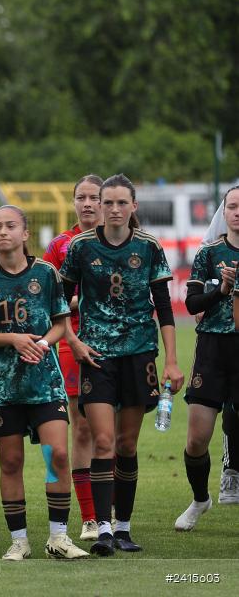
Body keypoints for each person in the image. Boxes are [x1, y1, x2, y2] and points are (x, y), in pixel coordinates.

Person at [59, 173, 184, 556]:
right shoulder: (80, 247)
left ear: (134, 207)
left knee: (127, 444)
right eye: (106, 202)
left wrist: (173, 361)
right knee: (102, 441)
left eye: (120, 203)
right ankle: (103, 529)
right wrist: (75, 342)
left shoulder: (148, 247)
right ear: (98, 205)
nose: (112, 209)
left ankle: (125, 528)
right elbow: (60, 303)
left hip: (139, 355)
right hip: (96, 357)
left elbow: (163, 307)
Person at [0, 205, 89, 560]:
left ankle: (59, 537)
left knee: (58, 454)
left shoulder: (47, 273)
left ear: (25, 233)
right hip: (1, 389)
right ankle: (19, 540)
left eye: (10, 226)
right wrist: (14, 340)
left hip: (44, 382)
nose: (2, 232)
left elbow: (60, 322)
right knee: (11, 462)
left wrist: (43, 343)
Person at [41, 174, 103, 541]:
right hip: (70, 339)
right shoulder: (60, 246)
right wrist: (76, 305)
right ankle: (90, 517)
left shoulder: (121, 243)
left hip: (115, 343)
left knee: (110, 432)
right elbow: (52, 301)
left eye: (95, 197)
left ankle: (112, 511)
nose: (89, 204)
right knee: (81, 427)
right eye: (81, 197)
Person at [174, 186, 239, 530]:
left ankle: (233, 475)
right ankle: (200, 500)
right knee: (197, 438)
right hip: (213, 349)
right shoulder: (210, 253)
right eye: (232, 206)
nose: (237, 211)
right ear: (223, 212)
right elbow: (193, 304)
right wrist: (222, 291)